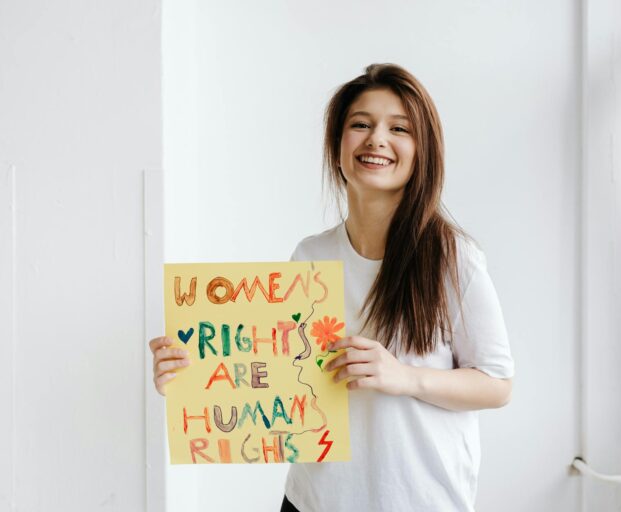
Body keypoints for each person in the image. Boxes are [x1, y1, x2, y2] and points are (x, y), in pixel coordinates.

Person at [149, 63, 515, 512]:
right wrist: (192, 379)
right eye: (360, 124)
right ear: (337, 147)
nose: (376, 138)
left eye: (399, 128)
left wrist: (403, 377)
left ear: (424, 151)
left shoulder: (453, 260)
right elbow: (279, 379)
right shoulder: (310, 256)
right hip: (313, 501)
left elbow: (497, 384)